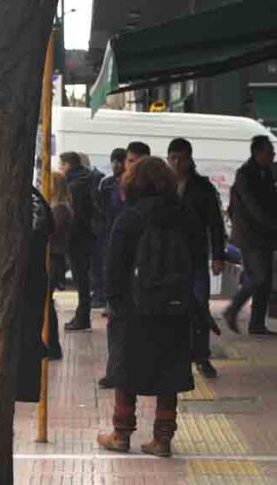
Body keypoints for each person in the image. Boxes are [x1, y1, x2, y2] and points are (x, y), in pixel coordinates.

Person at [97, 157, 198, 458]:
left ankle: (121, 434)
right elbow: (196, 258)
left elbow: (114, 267)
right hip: (175, 307)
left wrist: (115, 303)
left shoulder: (130, 218)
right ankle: (162, 439)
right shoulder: (184, 215)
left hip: (134, 307)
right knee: (170, 372)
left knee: (126, 370)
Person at [167, 138, 226, 378]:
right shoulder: (162, 186)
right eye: (172, 158)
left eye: (181, 159)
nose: (176, 163)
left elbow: (215, 223)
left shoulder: (202, 187)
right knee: (171, 308)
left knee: (200, 307)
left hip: (195, 257)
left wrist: (218, 255)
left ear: (190, 160)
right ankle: (175, 356)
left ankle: (202, 356)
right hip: (168, 259)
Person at [223, 135, 277, 335]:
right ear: (257, 153)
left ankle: (257, 323)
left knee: (265, 278)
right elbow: (254, 206)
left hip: (265, 234)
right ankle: (232, 309)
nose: (272, 156)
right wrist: (272, 223)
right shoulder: (245, 174)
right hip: (250, 235)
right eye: (269, 152)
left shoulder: (266, 171)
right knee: (258, 276)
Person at [96, 148, 130, 389]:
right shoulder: (107, 185)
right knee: (116, 321)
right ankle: (116, 371)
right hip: (112, 248)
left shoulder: (140, 189)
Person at [58, 152, 95, 331]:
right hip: (89, 235)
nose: (60, 169)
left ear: (67, 165)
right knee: (84, 279)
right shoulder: (88, 179)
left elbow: (76, 215)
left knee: (81, 280)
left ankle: (82, 317)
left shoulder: (73, 185)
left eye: (61, 165)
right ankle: (83, 315)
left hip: (77, 238)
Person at [79, 153, 108, 308]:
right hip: (98, 227)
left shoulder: (85, 182)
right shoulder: (96, 180)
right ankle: (99, 293)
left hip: (94, 229)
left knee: (96, 264)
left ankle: (99, 294)